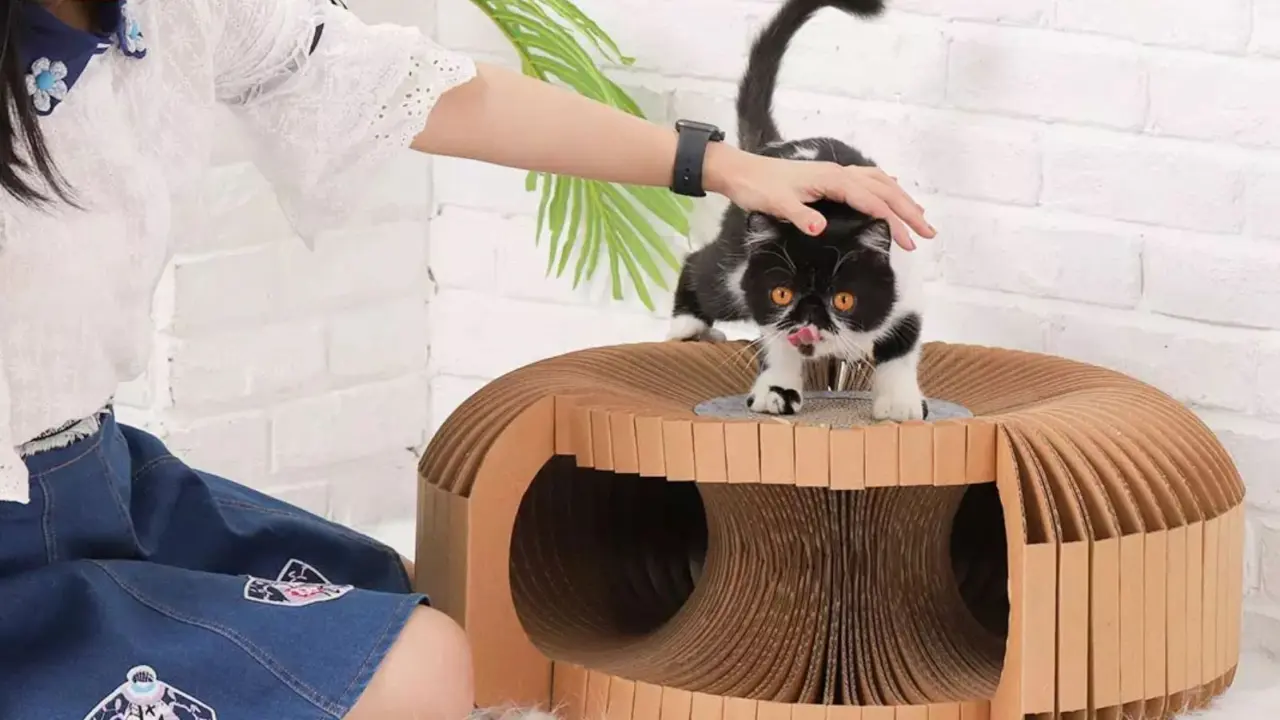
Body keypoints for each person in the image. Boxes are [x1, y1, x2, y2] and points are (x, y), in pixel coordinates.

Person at [0, 0, 935, 718]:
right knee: (420, 667)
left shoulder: (178, 12)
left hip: (94, 478)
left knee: (402, 594)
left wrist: (726, 167)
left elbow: (422, 86)